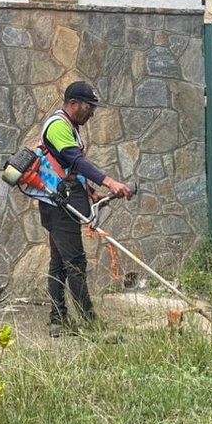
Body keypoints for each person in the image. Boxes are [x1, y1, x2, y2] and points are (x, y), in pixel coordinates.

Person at [36, 81, 132, 335]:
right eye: (89, 107)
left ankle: (58, 321)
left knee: (59, 263)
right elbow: (75, 161)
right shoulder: (58, 126)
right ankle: (91, 325)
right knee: (76, 263)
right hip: (57, 206)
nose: (91, 113)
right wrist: (109, 182)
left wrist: (90, 191)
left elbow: (65, 167)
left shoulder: (70, 126)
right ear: (73, 104)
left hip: (60, 202)